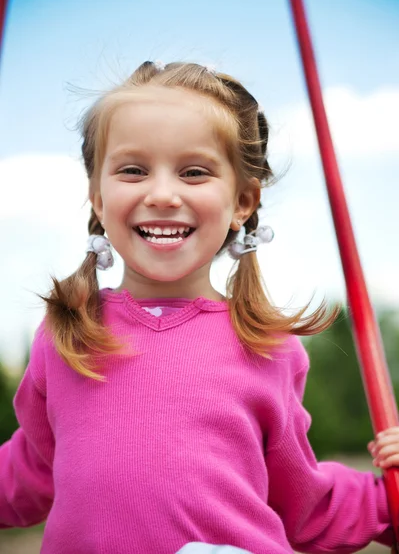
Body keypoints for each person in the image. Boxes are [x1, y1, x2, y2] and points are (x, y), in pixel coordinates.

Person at [0, 61, 398, 554]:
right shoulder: (66, 336)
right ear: (98, 199)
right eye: (133, 170)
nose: (163, 194)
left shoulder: (269, 349)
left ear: (242, 202)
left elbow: (306, 504)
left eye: (194, 172)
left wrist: (390, 500)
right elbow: (31, 472)